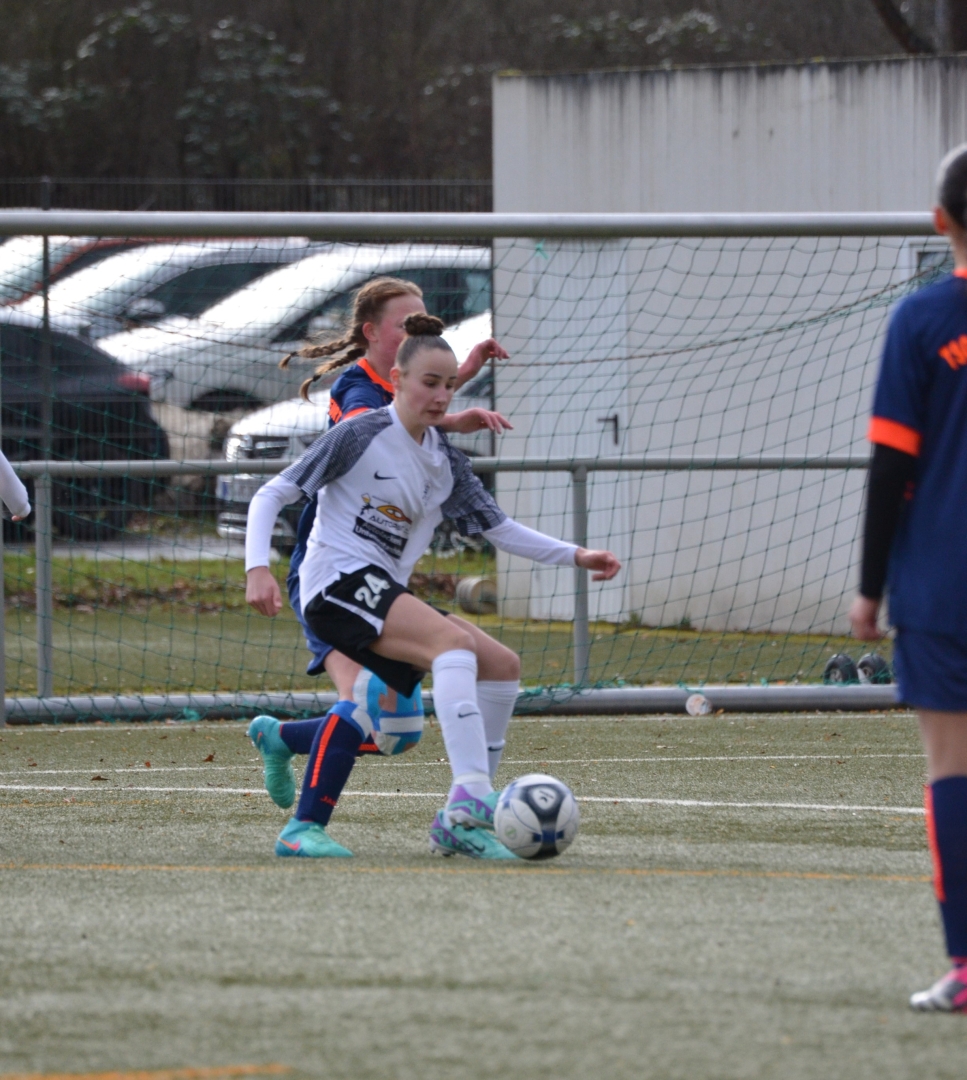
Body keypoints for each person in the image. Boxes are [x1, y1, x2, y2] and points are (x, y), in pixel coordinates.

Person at [246, 313, 620, 859]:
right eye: (430, 382)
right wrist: (257, 567)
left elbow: (499, 529)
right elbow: (271, 494)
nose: (442, 396)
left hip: (376, 590)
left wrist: (577, 555)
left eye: (449, 384)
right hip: (332, 585)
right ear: (397, 380)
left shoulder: (445, 462)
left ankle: (456, 823)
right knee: (452, 645)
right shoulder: (360, 433)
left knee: (498, 667)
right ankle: (469, 794)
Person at [247, 277, 513, 802]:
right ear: (371, 333)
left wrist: (462, 376)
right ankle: (305, 827)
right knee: (360, 709)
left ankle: (281, 738)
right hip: (331, 570)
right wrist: (452, 421)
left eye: (422, 321)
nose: (418, 330)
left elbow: (417, 402)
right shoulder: (357, 388)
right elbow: (377, 428)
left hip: (377, 572)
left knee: (397, 733)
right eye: (404, 324)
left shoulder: (406, 385)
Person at [849, 142, 967, 1012]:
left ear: (939, 221)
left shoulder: (921, 319)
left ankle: (965, 966)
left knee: (951, 767)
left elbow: (891, 463)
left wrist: (868, 587)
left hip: (940, 581)